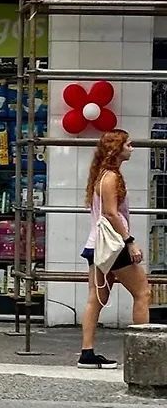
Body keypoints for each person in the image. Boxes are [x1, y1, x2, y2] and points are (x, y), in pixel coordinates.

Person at [78, 129, 151, 370]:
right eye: (128, 144)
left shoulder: (101, 176)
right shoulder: (111, 177)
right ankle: (142, 353)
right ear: (116, 149)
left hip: (96, 245)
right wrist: (130, 241)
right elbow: (111, 213)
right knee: (142, 292)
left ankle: (87, 353)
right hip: (114, 246)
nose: (132, 148)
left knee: (96, 298)